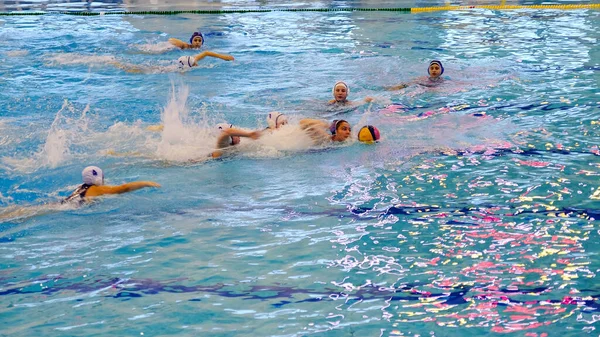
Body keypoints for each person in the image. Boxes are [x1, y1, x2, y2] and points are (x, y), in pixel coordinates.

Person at [62, 166, 161, 204]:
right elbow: (123, 188)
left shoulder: (81, 188)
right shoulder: (97, 189)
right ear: (98, 178)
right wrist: (145, 183)